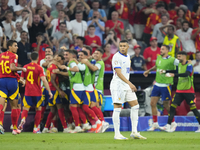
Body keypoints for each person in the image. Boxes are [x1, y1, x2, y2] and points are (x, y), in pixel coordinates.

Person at [110, 40, 146, 140]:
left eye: (124, 46)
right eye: (120, 46)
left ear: (128, 47)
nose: (122, 47)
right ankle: (117, 134)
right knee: (117, 108)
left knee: (135, 106)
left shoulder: (128, 57)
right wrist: (130, 83)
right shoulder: (116, 57)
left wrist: (128, 84)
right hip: (118, 86)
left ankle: (134, 132)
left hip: (126, 85)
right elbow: (119, 73)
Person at [160, 51, 200, 133]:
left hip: (189, 90)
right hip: (179, 90)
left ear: (184, 56)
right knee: (172, 107)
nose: (178, 58)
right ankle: (168, 126)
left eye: (179, 56)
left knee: (193, 109)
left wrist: (173, 75)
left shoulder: (189, 65)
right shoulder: (179, 65)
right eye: (177, 57)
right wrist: (166, 71)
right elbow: (176, 72)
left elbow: (186, 74)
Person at [143, 45, 179, 131]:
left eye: (163, 49)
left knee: (166, 105)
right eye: (161, 49)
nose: (161, 50)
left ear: (167, 50)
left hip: (166, 85)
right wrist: (149, 70)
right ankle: (155, 124)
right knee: (152, 103)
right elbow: (156, 66)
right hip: (157, 84)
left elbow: (181, 64)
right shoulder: (159, 57)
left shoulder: (172, 60)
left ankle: (173, 123)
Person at [18, 52, 52, 133]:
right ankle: (36, 128)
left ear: (30, 58)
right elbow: (44, 80)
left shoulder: (25, 67)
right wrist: (49, 91)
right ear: (38, 58)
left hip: (28, 92)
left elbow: (21, 79)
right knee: (38, 109)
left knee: (26, 109)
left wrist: (24, 83)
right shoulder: (39, 68)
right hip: (37, 92)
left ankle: (23, 119)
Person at [0, 40, 26, 135]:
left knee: (1, 105)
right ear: (9, 47)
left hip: (2, 81)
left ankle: (0, 125)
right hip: (12, 82)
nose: (17, 47)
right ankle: (14, 128)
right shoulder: (14, 55)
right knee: (15, 106)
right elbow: (12, 68)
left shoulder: (1, 55)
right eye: (15, 45)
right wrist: (22, 68)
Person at [81, 48, 109, 132]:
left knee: (93, 106)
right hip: (94, 87)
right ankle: (96, 124)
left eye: (97, 53)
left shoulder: (100, 63)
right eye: (95, 53)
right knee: (91, 106)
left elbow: (94, 69)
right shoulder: (95, 61)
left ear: (101, 55)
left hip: (97, 87)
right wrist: (89, 58)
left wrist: (86, 62)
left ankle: (103, 122)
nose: (96, 55)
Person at [42, 54, 68, 133]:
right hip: (54, 90)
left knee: (52, 110)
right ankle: (65, 128)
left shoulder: (50, 65)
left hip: (49, 89)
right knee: (60, 108)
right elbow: (53, 80)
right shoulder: (54, 67)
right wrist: (59, 90)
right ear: (60, 60)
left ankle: (46, 128)